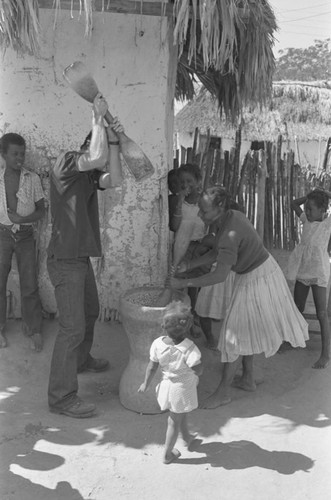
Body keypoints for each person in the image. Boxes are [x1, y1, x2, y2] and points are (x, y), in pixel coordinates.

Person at [170, 186, 309, 409]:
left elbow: (219, 274)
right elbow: (218, 251)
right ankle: (248, 378)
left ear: (220, 208)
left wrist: (184, 283)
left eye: (204, 211)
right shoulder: (231, 217)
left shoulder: (230, 231)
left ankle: (223, 392)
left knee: (233, 335)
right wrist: (190, 265)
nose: (199, 215)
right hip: (257, 273)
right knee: (246, 328)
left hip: (258, 278)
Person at [47, 93, 124, 418]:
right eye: (103, 152)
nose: (104, 161)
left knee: (90, 311)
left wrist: (116, 143)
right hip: (64, 260)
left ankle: (81, 361)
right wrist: (98, 118)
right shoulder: (67, 162)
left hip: (79, 259)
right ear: (92, 146)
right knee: (71, 328)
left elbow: (116, 179)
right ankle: (61, 398)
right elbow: (94, 158)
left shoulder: (90, 176)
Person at [138, 300, 203, 464]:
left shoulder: (157, 344)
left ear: (163, 326)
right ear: (188, 327)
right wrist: (193, 375)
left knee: (180, 413)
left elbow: (152, 366)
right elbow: (198, 369)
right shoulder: (190, 348)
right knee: (173, 421)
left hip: (167, 385)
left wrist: (145, 383)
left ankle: (187, 438)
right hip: (181, 389)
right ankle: (168, 454)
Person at [0, 133, 45, 351]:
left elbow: (41, 210)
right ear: (3, 155)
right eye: (15, 154)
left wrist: (22, 219)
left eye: (23, 154)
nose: (20, 158)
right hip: (2, 235)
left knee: (29, 283)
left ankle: (33, 327)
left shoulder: (32, 178)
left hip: (26, 235)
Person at [284, 189, 331, 369]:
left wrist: (324, 194)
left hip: (318, 273)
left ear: (322, 210)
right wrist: (310, 195)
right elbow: (294, 203)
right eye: (307, 209)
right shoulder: (305, 220)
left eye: (311, 209)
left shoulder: (327, 225)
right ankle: (293, 340)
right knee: (297, 308)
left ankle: (325, 354)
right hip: (303, 271)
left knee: (321, 313)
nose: (308, 212)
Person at [171, 163, 208, 335]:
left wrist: (205, 248)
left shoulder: (205, 202)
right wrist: (179, 202)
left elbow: (211, 226)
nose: (186, 185)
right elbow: (174, 225)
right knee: (179, 287)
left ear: (198, 181)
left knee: (195, 287)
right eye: (182, 182)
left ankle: (193, 319)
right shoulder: (179, 202)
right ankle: (179, 322)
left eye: (190, 181)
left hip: (199, 249)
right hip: (180, 248)